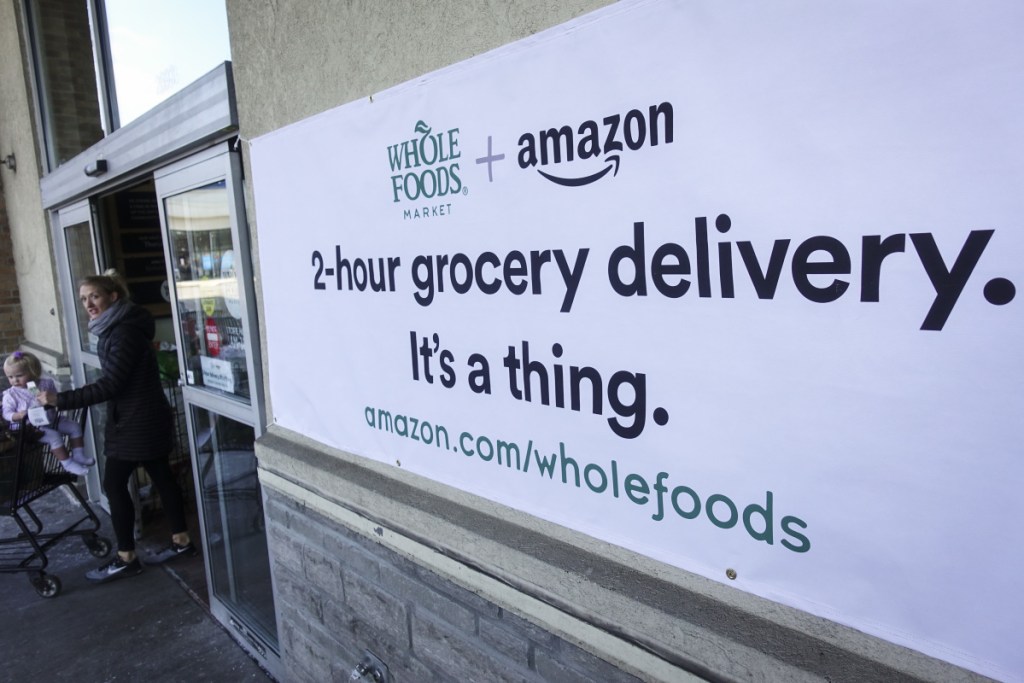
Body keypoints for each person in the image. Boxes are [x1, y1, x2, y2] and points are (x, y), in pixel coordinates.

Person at [38, 270, 197, 583]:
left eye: (94, 296)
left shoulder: (122, 332)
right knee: (162, 476)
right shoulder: (119, 327)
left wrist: (60, 399)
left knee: (114, 484)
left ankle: (127, 557)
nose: (89, 304)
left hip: (137, 421)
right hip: (143, 416)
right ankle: (181, 541)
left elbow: (111, 384)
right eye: (84, 299)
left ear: (113, 297)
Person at [2, 350, 91, 475]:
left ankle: (79, 454)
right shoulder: (11, 395)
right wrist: (18, 415)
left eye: (19, 376)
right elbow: (6, 414)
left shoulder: (41, 384)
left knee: (74, 427)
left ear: (33, 371)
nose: (15, 380)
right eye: (10, 377)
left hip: (51, 420)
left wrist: (53, 400)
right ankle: (68, 463)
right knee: (54, 436)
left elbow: (56, 399)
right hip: (30, 429)